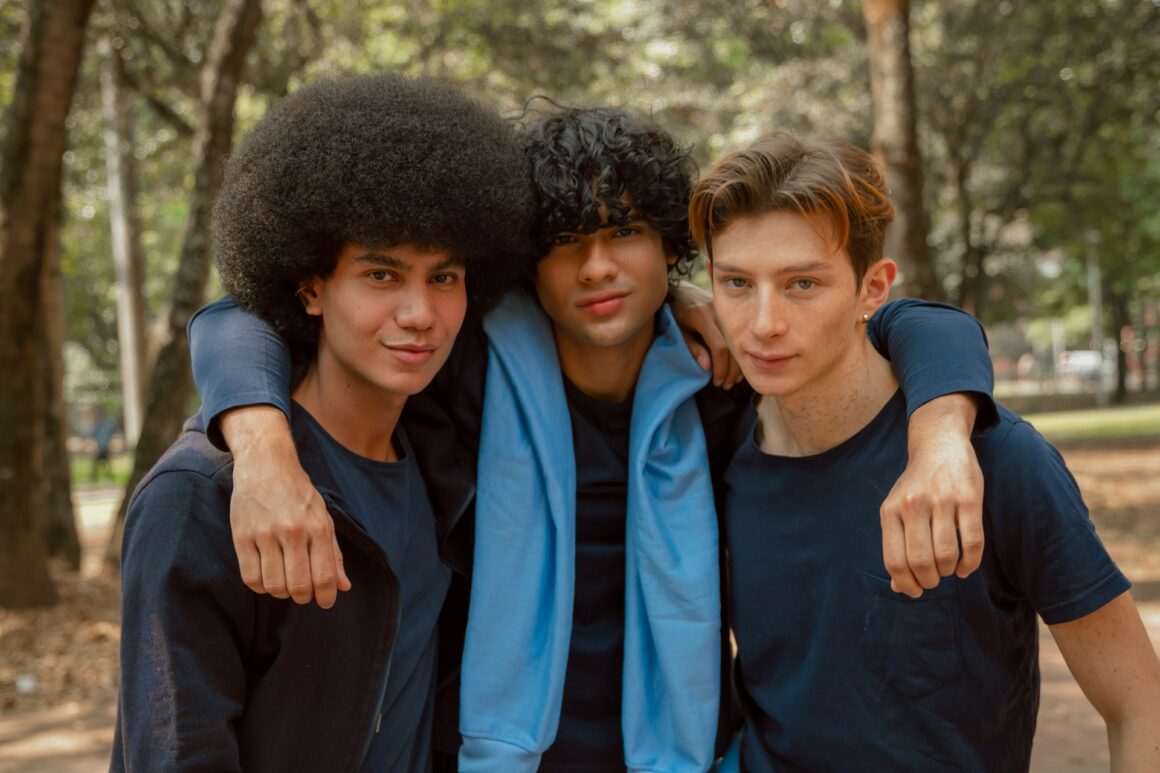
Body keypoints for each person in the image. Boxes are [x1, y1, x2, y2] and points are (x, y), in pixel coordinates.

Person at [188, 107, 995, 771]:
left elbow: (913, 324)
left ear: (669, 249)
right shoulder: (461, 369)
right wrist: (260, 444)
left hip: (686, 753)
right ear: (527, 267)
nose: (599, 268)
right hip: (483, 754)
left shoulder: (725, 379)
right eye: (568, 244)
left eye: (624, 235)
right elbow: (241, 316)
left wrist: (944, 437)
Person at [689, 132, 1160, 772]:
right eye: (737, 283)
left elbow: (1138, 706)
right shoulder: (711, 449)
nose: (764, 322)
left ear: (872, 289)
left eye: (803, 283)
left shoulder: (997, 459)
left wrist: (940, 435)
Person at [111, 73, 533, 772]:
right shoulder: (200, 499)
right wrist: (260, 447)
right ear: (310, 287)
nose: (419, 313)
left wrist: (688, 297)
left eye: (444, 277)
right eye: (381, 275)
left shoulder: (447, 457)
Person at [89, 405, 118, 483]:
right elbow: (93, 434)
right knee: (97, 464)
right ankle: (95, 478)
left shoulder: (108, 423)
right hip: (100, 447)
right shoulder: (98, 424)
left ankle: (108, 478)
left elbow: (113, 431)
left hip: (106, 446)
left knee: (106, 464)